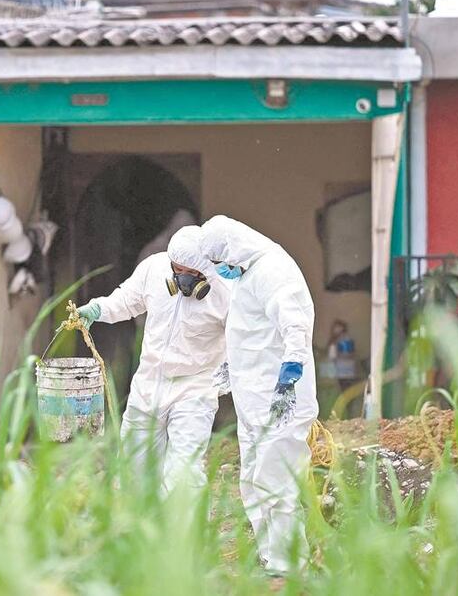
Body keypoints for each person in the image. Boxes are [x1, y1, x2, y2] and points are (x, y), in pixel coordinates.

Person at [197, 215, 318, 576]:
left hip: (279, 399)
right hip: (253, 400)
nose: (220, 270)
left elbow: (294, 324)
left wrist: (291, 370)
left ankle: (289, 562)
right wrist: (228, 368)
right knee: (253, 479)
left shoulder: (273, 270)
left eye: (218, 262)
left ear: (231, 250)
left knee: (277, 479)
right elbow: (248, 331)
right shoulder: (247, 273)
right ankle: (269, 555)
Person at [76, 225, 231, 492]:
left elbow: (240, 338)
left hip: (195, 387)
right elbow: (127, 300)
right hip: (149, 382)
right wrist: (99, 308)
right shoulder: (154, 269)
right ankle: (135, 519)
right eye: (177, 270)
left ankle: (182, 520)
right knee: (133, 468)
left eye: (191, 273)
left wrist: (221, 382)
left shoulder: (225, 290)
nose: (182, 278)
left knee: (184, 471)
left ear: (205, 270)